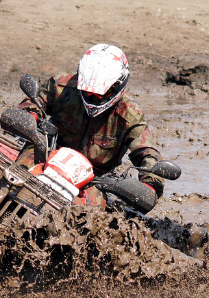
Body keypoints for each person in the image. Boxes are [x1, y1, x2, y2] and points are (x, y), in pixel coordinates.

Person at [16, 43, 164, 208]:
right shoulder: (63, 86)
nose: (94, 98)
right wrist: (30, 117)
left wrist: (149, 185)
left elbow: (148, 153)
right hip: (46, 153)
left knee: (87, 214)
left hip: (92, 178)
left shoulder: (129, 113)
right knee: (15, 176)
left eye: (100, 94)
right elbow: (33, 103)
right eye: (88, 92)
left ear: (118, 85)